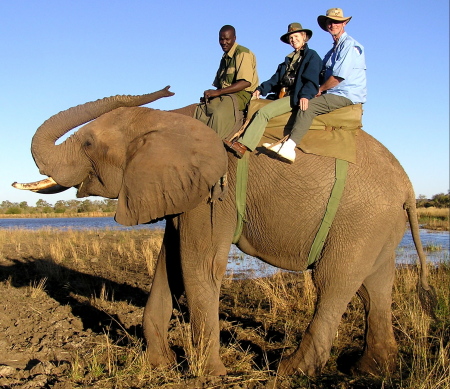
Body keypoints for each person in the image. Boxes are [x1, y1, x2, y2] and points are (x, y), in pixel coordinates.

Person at [260, 8, 367, 163]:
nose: (333, 25)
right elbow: (318, 75)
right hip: (332, 92)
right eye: (330, 22)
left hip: (345, 94)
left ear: (344, 23)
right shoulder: (331, 52)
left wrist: (319, 90)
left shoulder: (349, 46)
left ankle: (290, 147)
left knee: (307, 107)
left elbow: (338, 77)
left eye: (336, 21)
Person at [224, 22, 322, 160]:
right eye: (291, 38)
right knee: (253, 105)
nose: (293, 40)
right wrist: (260, 90)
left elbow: (312, 79)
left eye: (296, 36)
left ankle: (243, 145)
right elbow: (275, 79)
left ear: (304, 36)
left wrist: (305, 95)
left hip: (294, 96)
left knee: (264, 113)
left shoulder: (312, 56)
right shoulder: (288, 60)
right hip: (280, 95)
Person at [194, 25, 259, 139]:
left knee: (219, 115)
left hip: (242, 95)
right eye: (221, 39)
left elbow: (245, 82)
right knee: (202, 110)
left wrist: (218, 92)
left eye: (227, 39)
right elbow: (219, 85)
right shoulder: (224, 58)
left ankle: (215, 143)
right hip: (225, 94)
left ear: (234, 38)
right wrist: (211, 94)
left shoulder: (243, 53)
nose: (224, 42)